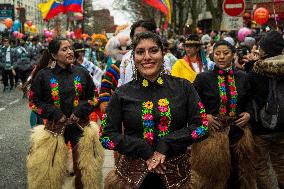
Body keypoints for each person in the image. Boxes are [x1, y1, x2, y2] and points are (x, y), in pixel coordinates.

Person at [102, 32, 209, 189]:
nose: (147, 57)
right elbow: (106, 136)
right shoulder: (122, 93)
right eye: (140, 52)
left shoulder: (184, 87)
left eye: (153, 50)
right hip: (131, 179)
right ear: (133, 56)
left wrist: (166, 143)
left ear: (163, 53)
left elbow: (202, 127)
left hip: (177, 178)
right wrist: (142, 148)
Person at [27, 38, 104, 189]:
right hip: (54, 129)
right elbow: (33, 101)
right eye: (64, 49)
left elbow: (94, 96)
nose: (70, 52)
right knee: (50, 174)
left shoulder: (82, 72)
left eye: (70, 48)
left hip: (81, 128)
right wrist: (55, 113)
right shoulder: (43, 75)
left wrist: (80, 110)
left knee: (85, 172)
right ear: (54, 55)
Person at [192, 40, 256, 189]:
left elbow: (251, 100)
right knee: (213, 177)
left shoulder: (243, 77)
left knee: (238, 176)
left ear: (233, 55)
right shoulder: (203, 78)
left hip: (239, 133)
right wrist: (205, 116)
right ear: (212, 55)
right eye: (217, 53)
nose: (221, 57)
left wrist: (248, 113)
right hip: (212, 135)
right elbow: (193, 103)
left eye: (226, 53)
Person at [248, 30, 284, 189]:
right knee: (280, 162)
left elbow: (252, 94)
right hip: (283, 125)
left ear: (264, 49)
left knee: (260, 166)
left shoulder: (256, 70)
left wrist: (249, 65)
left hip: (261, 127)